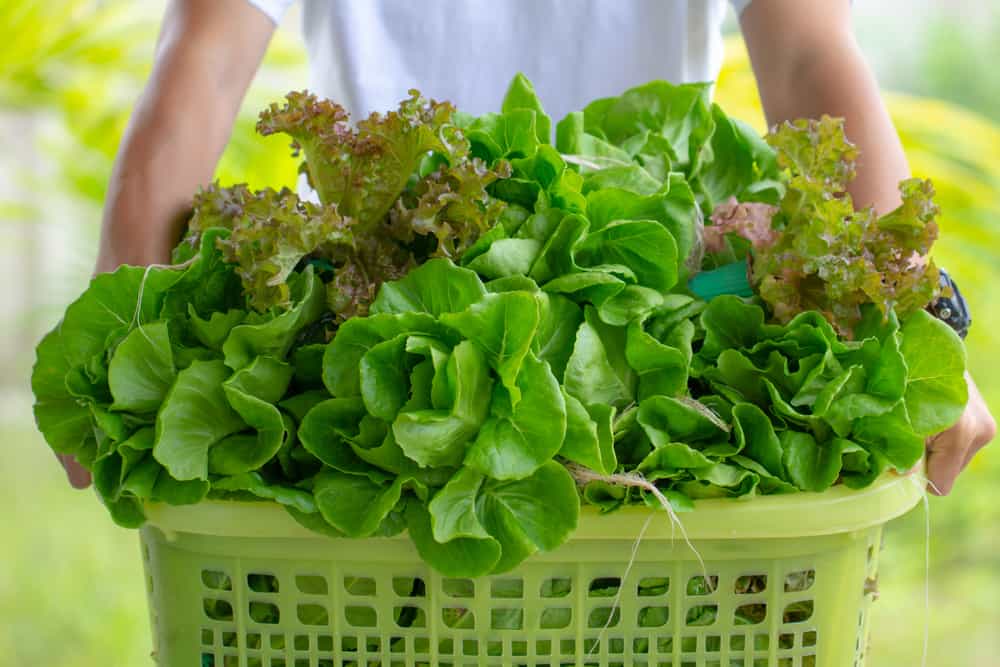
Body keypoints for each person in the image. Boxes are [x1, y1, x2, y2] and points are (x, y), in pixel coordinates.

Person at [59, 0, 995, 493]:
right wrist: (116, 357)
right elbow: (205, 58)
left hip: (656, 310)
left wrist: (914, 314)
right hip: (375, 317)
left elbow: (807, 54)